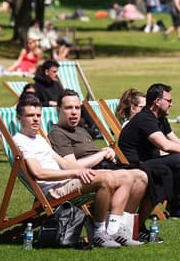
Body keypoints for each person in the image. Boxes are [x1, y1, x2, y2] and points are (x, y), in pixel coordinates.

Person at [13, 94, 148, 248]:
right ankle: (99, 232)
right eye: (30, 116)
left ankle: (114, 229)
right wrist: (75, 173)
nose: (36, 119)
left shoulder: (39, 139)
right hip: (54, 190)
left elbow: (64, 163)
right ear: (19, 118)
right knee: (106, 179)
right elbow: (39, 173)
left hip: (67, 181)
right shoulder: (20, 142)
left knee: (125, 176)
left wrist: (82, 170)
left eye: (38, 115)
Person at [117, 83, 180, 219]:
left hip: (149, 161)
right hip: (134, 165)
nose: (171, 104)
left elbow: (174, 140)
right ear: (157, 101)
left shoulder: (160, 118)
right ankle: (178, 206)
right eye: (169, 101)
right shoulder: (145, 118)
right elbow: (165, 146)